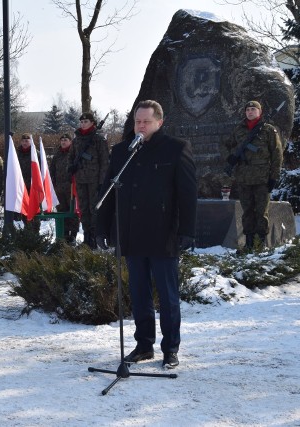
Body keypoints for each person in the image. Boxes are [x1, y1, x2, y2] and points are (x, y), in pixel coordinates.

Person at [96, 100, 197, 369]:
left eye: (146, 122)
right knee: (139, 294)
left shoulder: (176, 149)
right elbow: (107, 192)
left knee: (167, 295)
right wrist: (101, 228)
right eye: (137, 121)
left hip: (163, 234)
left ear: (159, 122)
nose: (140, 126)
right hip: (132, 233)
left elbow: (187, 194)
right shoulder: (122, 152)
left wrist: (187, 230)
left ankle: (170, 348)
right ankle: (144, 345)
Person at [225, 100, 283, 251]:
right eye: (248, 110)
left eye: (253, 109)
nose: (250, 112)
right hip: (243, 178)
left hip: (262, 179)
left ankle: (260, 243)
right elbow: (225, 145)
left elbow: (277, 154)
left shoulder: (268, 130)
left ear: (260, 112)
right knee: (247, 212)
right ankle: (249, 243)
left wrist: (273, 177)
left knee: (261, 212)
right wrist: (230, 157)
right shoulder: (238, 130)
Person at [68, 112, 109, 248]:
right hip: (80, 179)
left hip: (94, 180)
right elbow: (71, 157)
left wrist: (102, 182)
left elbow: (104, 162)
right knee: (84, 208)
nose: (83, 124)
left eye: (86, 122)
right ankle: (86, 236)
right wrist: (71, 168)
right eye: (81, 122)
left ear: (93, 123)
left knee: (94, 208)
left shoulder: (99, 140)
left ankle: (94, 237)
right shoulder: (76, 140)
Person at [49, 133, 80, 244]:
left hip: (71, 188)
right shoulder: (57, 154)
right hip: (59, 189)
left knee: (72, 212)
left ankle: (73, 234)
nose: (63, 142)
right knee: (61, 211)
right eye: (61, 140)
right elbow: (52, 169)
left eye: (65, 140)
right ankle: (65, 234)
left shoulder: (74, 153)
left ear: (70, 142)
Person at [16, 133, 40, 233]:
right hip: (22, 187)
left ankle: (35, 232)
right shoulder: (16, 153)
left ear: (31, 142)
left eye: (27, 141)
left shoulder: (36, 154)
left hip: (34, 187)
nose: (25, 143)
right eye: (23, 141)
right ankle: (27, 230)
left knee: (35, 211)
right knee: (24, 211)